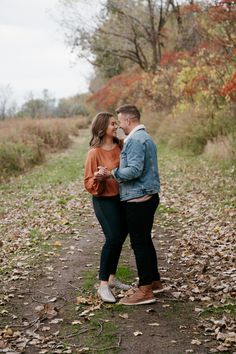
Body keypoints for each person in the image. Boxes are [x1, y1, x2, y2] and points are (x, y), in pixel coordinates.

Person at [97, 104, 162, 305]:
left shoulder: (135, 140)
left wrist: (112, 173)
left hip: (138, 199)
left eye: (120, 121)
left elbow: (133, 170)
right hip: (148, 196)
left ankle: (145, 291)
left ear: (128, 120)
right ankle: (154, 281)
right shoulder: (146, 137)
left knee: (140, 244)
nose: (119, 126)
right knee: (145, 241)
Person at [84, 112, 130, 303]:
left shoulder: (121, 146)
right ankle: (103, 285)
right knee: (112, 237)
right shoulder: (94, 152)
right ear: (103, 127)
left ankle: (111, 278)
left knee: (120, 237)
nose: (116, 126)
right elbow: (88, 182)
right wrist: (99, 177)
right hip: (103, 200)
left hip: (122, 198)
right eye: (113, 123)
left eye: (117, 123)